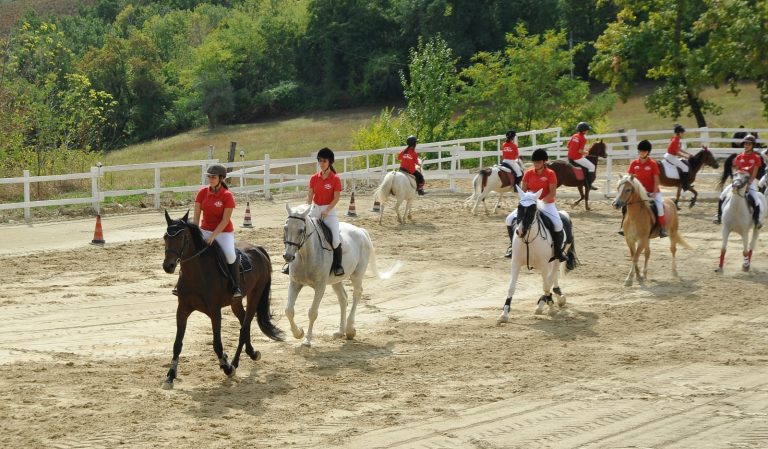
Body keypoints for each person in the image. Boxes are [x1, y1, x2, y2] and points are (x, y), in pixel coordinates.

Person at [503, 148, 567, 262]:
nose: (536, 164)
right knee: (509, 219)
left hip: (546, 203)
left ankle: (558, 251)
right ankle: (512, 248)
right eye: (535, 162)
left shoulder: (550, 174)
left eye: (538, 162)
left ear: (544, 162)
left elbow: (552, 192)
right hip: (529, 204)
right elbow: (523, 192)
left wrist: (540, 203)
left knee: (558, 224)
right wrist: (528, 202)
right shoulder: (528, 173)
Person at [190, 164, 243, 298]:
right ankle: (182, 284)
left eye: (213, 177)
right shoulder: (202, 192)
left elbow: (225, 220)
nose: (210, 179)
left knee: (230, 256)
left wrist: (213, 236)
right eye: (209, 176)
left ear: (221, 178)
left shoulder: (227, 196)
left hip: (224, 232)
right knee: (189, 251)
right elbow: (196, 216)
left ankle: (235, 286)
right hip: (204, 229)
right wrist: (195, 233)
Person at [713, 134, 764, 228]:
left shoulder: (756, 157)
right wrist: (736, 182)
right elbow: (737, 172)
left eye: (749, 144)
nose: (746, 146)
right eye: (745, 144)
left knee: (756, 200)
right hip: (739, 180)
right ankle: (719, 216)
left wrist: (748, 184)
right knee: (723, 195)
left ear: (752, 145)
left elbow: (754, 174)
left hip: (749, 181)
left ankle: (756, 221)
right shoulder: (739, 157)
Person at [308, 147, 345, 276]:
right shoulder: (313, 178)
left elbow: (336, 198)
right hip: (315, 208)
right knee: (302, 232)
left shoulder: (335, 179)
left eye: (324, 160)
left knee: (335, 238)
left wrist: (327, 211)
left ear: (330, 162)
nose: (321, 163)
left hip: (329, 212)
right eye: (320, 160)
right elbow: (309, 196)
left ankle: (338, 265)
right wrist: (308, 209)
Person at [627, 140, 667, 238]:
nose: (642, 153)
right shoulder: (634, 164)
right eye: (640, 151)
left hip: (652, 192)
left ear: (648, 152)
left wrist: (653, 193)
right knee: (626, 205)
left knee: (660, 207)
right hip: (639, 193)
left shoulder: (653, 164)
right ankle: (623, 227)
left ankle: (662, 228)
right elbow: (630, 179)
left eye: (644, 151)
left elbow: (656, 180)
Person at [567, 122, 597, 191]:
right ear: (584, 131)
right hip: (576, 158)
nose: (587, 131)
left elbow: (568, 146)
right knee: (592, 166)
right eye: (587, 130)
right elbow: (580, 151)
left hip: (569, 156)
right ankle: (589, 184)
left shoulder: (574, 135)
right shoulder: (583, 138)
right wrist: (586, 152)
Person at [665, 124, 694, 191]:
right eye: (682, 133)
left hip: (670, 155)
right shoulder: (675, 140)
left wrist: (688, 154)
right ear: (679, 133)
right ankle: (685, 185)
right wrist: (686, 157)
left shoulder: (675, 139)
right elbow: (677, 152)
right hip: (671, 157)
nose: (683, 134)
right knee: (685, 167)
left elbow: (679, 149)